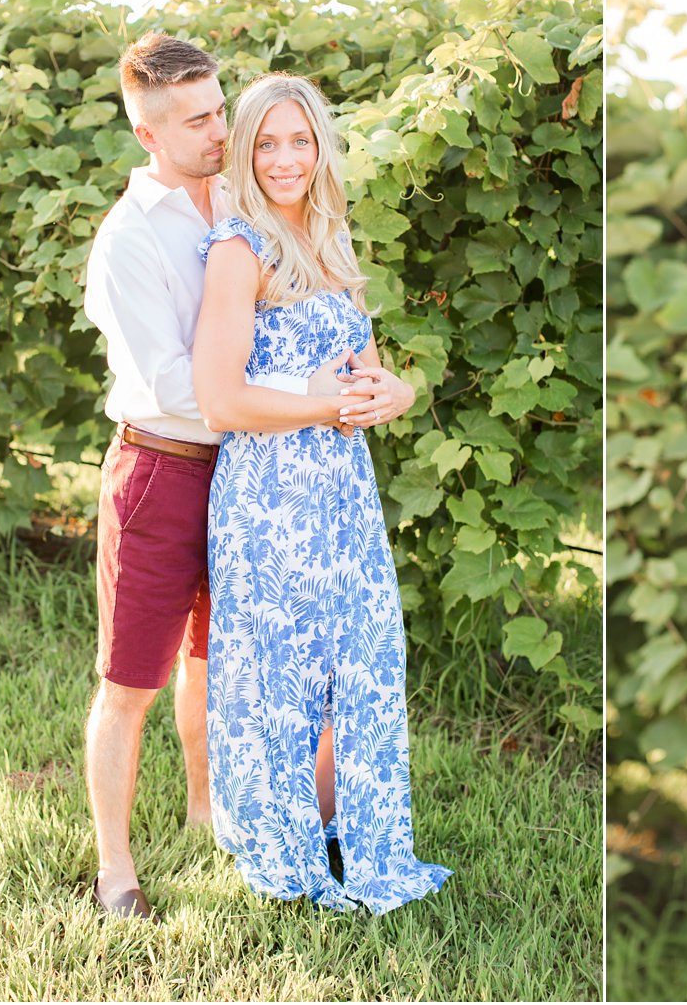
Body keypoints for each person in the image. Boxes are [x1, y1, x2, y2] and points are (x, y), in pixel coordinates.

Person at [83, 33, 366, 921]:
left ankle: (209, 810)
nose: (222, 128)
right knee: (131, 681)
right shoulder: (128, 241)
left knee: (215, 660)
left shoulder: (242, 198)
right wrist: (304, 395)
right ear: (148, 133)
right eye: (201, 119)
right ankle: (116, 868)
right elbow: (183, 386)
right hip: (164, 470)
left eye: (219, 108)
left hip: (252, 475)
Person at [192, 72, 450, 913]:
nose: (284, 157)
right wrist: (321, 403)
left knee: (363, 659)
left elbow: (367, 372)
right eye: (265, 142)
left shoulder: (334, 242)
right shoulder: (241, 248)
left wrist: (394, 393)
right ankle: (281, 838)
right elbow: (221, 399)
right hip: (270, 501)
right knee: (282, 670)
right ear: (244, 152)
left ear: (320, 147)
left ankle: (344, 828)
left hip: (342, 493)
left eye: (298, 139)